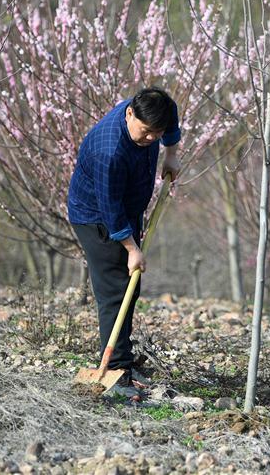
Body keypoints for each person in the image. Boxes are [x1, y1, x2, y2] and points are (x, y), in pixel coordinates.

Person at [68, 87, 181, 382]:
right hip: (96, 217)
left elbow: (171, 114)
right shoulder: (110, 150)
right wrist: (132, 248)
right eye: (146, 132)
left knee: (131, 284)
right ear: (129, 113)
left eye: (157, 133)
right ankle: (117, 368)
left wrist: (171, 153)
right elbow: (110, 208)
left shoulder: (153, 113)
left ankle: (123, 360)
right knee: (115, 289)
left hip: (127, 208)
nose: (151, 139)